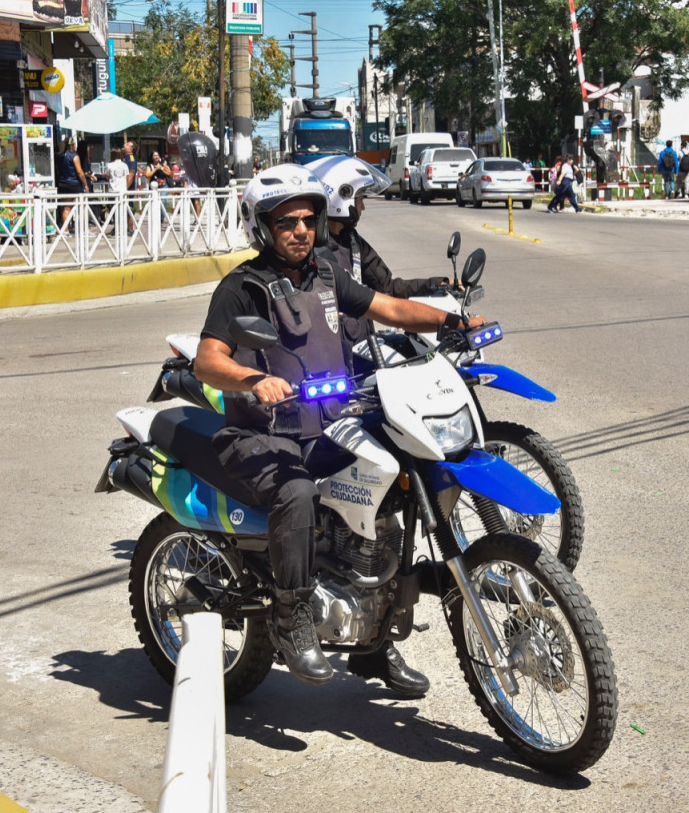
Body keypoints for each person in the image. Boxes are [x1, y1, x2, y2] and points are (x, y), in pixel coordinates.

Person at [193, 164, 484, 689]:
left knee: (392, 486)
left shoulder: (328, 275)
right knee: (299, 494)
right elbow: (207, 361)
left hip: (328, 427)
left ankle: (375, 644)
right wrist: (253, 378)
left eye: (308, 219)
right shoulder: (242, 286)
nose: (301, 230)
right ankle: (292, 620)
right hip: (261, 436)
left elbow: (389, 306)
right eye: (286, 222)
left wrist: (450, 321)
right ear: (263, 227)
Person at [305, 155, 448, 369]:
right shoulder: (308, 251)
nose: (362, 207)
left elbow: (388, 288)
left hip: (364, 353)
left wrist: (437, 285)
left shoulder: (352, 241)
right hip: (329, 364)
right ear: (341, 196)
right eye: (360, 198)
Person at [56, 137, 91, 227]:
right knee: (82, 206)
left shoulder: (59, 156)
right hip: (74, 184)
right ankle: (83, 229)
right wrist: (85, 184)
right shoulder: (74, 156)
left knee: (66, 208)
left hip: (63, 184)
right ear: (72, 145)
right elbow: (80, 172)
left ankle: (65, 230)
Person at [106, 148, 134, 234]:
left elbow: (107, 176)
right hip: (123, 190)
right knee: (123, 210)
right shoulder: (125, 165)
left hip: (113, 190)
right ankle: (123, 228)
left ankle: (116, 228)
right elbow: (126, 176)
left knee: (114, 210)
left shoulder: (109, 165)